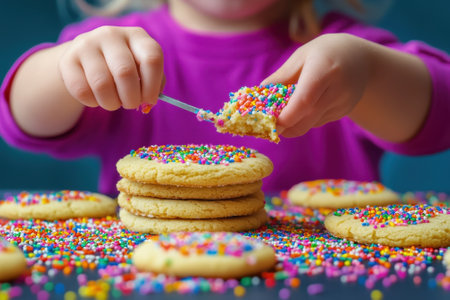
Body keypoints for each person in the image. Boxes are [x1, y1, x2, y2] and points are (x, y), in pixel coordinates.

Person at [1, 0, 449, 196]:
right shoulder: (115, 51)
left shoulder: (343, 54)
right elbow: (21, 120)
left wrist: (369, 74)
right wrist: (67, 70)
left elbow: (440, 113)